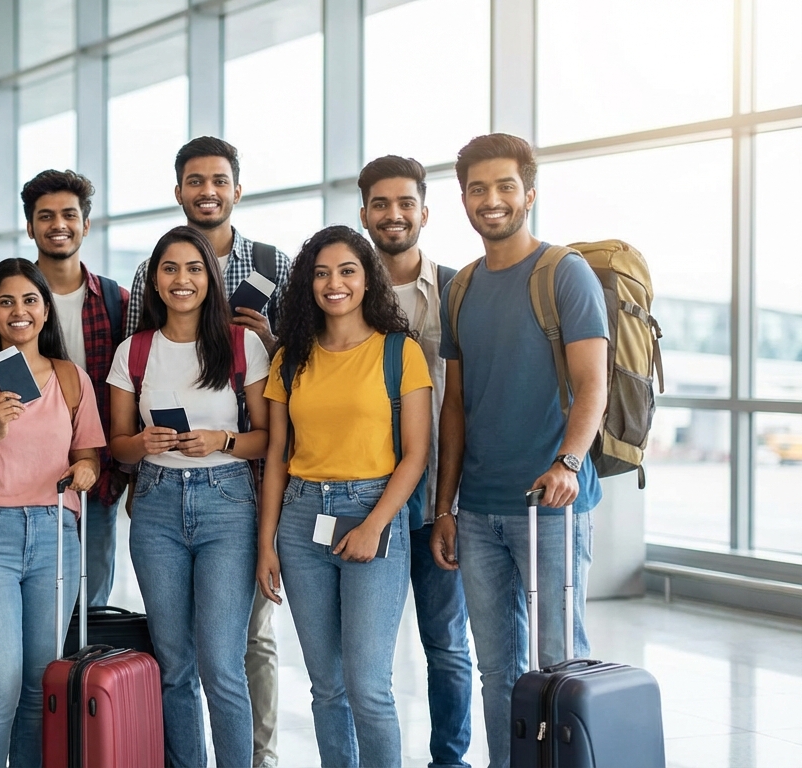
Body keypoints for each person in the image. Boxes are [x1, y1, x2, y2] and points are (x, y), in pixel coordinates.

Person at [434, 133, 608, 768]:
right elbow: (456, 405)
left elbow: (593, 383)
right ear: (463, 199)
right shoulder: (460, 289)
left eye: (505, 186)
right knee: (497, 669)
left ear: (529, 194)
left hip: (551, 505)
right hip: (479, 511)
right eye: (478, 189)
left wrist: (568, 462)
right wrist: (445, 506)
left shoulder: (564, 273)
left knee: (560, 663)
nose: (492, 200)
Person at [125, 136, 292, 767]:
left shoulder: (272, 267)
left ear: (236, 190)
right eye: (195, 181)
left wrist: (264, 343)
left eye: (219, 180)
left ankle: (257, 758)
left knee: (236, 654)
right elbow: (128, 406)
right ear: (179, 192)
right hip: (160, 497)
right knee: (178, 663)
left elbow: (293, 374)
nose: (208, 191)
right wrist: (140, 454)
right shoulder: (142, 322)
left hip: (236, 493)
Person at [257, 225, 432, 768]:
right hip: (301, 519)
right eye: (322, 273)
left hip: (373, 511)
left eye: (347, 271)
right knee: (326, 686)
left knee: (367, 686)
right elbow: (278, 456)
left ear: (368, 279)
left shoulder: (400, 352)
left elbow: (415, 455)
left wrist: (374, 525)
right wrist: (266, 545)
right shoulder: (290, 359)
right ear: (308, 284)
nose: (334, 283)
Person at [108, 226, 269, 768]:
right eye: (170, 268)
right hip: (156, 506)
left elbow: (268, 437)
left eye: (194, 268)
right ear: (154, 281)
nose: (182, 279)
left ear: (210, 278)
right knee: (174, 665)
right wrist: (142, 443)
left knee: (221, 665)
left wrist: (222, 439)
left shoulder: (241, 344)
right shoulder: (134, 351)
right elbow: (118, 445)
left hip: (228, 504)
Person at [0, 258, 105, 768]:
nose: (19, 311)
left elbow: (88, 457)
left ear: (45, 310)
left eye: (30, 300)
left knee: (39, 683)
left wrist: (86, 471)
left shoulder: (72, 379)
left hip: (55, 533)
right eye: (6, 301)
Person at [358, 155, 474, 768]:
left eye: (406, 203)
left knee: (446, 643)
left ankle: (449, 761)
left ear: (425, 213)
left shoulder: (458, 290)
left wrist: (451, 500)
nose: (394, 214)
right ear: (364, 214)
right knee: (361, 655)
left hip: (435, 497)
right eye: (381, 204)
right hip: (363, 496)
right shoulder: (344, 291)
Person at [22, 168, 129, 608]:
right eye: (45, 216)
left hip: (97, 475)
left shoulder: (115, 301)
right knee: (35, 606)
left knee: (92, 604)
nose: (58, 225)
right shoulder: (8, 300)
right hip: (23, 476)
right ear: (30, 227)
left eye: (68, 214)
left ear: (85, 224)